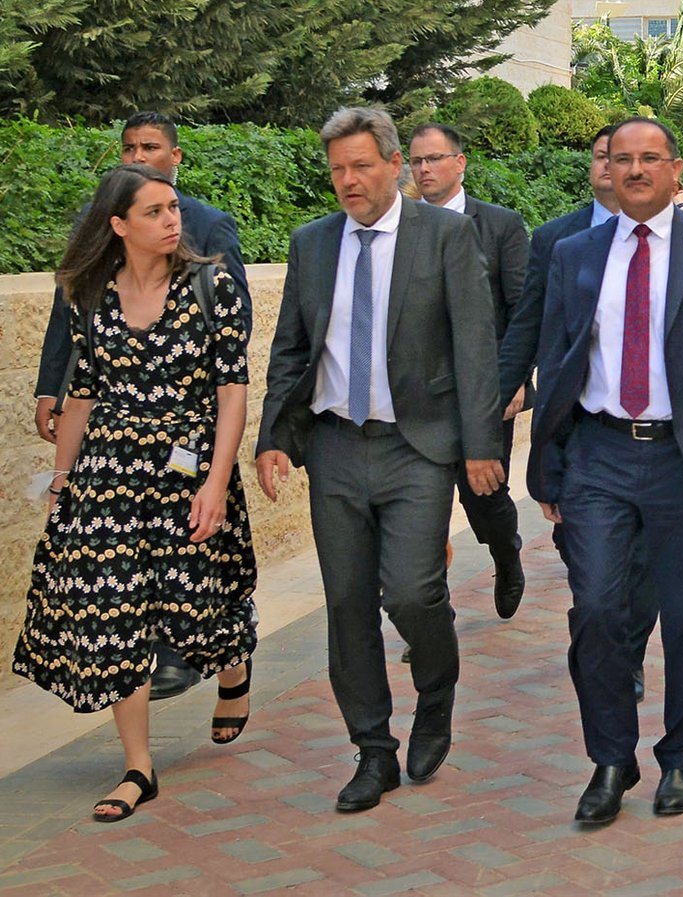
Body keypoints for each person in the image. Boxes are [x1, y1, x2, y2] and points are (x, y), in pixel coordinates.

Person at [526, 116, 683, 826]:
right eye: (622, 159)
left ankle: (681, 756)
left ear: (677, 172)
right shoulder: (574, 252)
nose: (634, 170)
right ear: (608, 169)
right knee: (600, 610)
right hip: (599, 455)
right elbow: (556, 362)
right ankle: (611, 758)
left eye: (650, 158)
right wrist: (546, 466)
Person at [255, 108, 504, 813]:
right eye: (337, 168)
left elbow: (475, 348)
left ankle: (436, 689)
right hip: (334, 445)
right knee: (347, 602)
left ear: (395, 164)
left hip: (415, 445)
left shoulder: (447, 237)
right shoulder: (312, 243)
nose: (348, 180)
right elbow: (292, 349)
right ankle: (372, 750)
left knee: (412, 592)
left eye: (361, 165)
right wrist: (275, 433)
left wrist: (481, 446)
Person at [15, 163, 257, 822]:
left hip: (187, 467)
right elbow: (84, 392)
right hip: (110, 473)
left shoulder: (215, 286)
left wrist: (214, 481)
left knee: (198, 602)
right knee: (116, 609)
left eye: (172, 207)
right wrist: (62, 483)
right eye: (154, 211)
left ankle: (234, 664)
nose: (171, 219)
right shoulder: (87, 294)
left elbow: (231, 391)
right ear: (119, 225)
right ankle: (138, 765)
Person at [32, 112, 249, 702]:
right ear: (119, 224)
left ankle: (218, 660)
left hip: (185, 444)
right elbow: (77, 346)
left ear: (175, 157)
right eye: (129, 147)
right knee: (119, 586)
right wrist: (50, 396)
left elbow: (234, 355)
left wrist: (215, 464)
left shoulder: (209, 232)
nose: (137, 155)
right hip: (116, 460)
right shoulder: (96, 264)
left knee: (194, 576)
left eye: (150, 147)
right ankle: (146, 709)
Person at [497, 124, 657, 705]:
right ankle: (599, 637)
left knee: (645, 567)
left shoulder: (681, 242)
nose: (613, 167)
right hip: (582, 434)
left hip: (657, 439)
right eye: (603, 157)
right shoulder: (557, 241)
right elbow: (527, 325)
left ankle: (626, 656)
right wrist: (500, 394)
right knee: (591, 567)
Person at [409, 123, 531, 619]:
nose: (424, 170)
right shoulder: (401, 226)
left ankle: (507, 554)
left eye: (434, 159)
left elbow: (521, 307)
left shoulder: (499, 225)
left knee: (483, 495)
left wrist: (518, 377)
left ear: (460, 163)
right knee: (421, 507)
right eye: (416, 161)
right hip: (417, 395)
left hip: (485, 389)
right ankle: (432, 615)